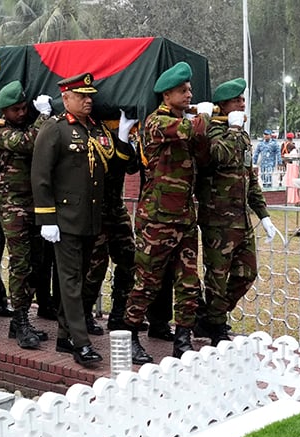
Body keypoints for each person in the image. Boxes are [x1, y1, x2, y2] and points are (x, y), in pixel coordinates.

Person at [122, 62, 213, 364]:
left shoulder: (184, 122)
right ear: (166, 95)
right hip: (157, 218)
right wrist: (205, 116)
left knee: (189, 282)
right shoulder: (156, 123)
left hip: (184, 217)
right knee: (147, 280)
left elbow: (201, 151)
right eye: (183, 91)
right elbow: (191, 129)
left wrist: (202, 127)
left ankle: (182, 339)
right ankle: (131, 334)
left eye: (189, 90)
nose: (189, 95)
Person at [31, 72, 113, 367]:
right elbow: (41, 177)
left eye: (91, 96)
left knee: (80, 277)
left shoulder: (93, 129)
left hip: (89, 218)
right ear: (65, 98)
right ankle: (81, 343)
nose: (89, 100)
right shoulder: (55, 129)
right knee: (70, 282)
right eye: (82, 96)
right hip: (64, 219)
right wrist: (47, 218)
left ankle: (65, 335)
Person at [194, 78, 279, 346]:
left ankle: (210, 317)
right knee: (217, 277)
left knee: (246, 273)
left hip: (241, 220)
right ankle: (216, 327)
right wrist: (232, 128)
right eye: (236, 101)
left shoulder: (240, 133)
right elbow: (219, 156)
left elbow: (249, 178)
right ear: (223, 106)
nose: (242, 104)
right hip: (218, 220)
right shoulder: (211, 131)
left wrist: (263, 215)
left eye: (242, 99)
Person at [0, 80, 52, 349]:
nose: (23, 113)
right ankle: (21, 319)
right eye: (16, 109)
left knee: (36, 263)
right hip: (12, 206)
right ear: (5, 111)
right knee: (20, 264)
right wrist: (45, 116)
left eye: (25, 107)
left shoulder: (26, 124)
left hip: (34, 205)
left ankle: (19, 323)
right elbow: (28, 143)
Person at [81, 109, 139, 337]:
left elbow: (132, 167)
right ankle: (84, 314)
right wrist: (121, 139)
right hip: (95, 210)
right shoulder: (90, 131)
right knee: (96, 266)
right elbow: (108, 168)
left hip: (116, 208)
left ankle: (119, 314)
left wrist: (126, 137)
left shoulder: (118, 130)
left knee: (129, 260)